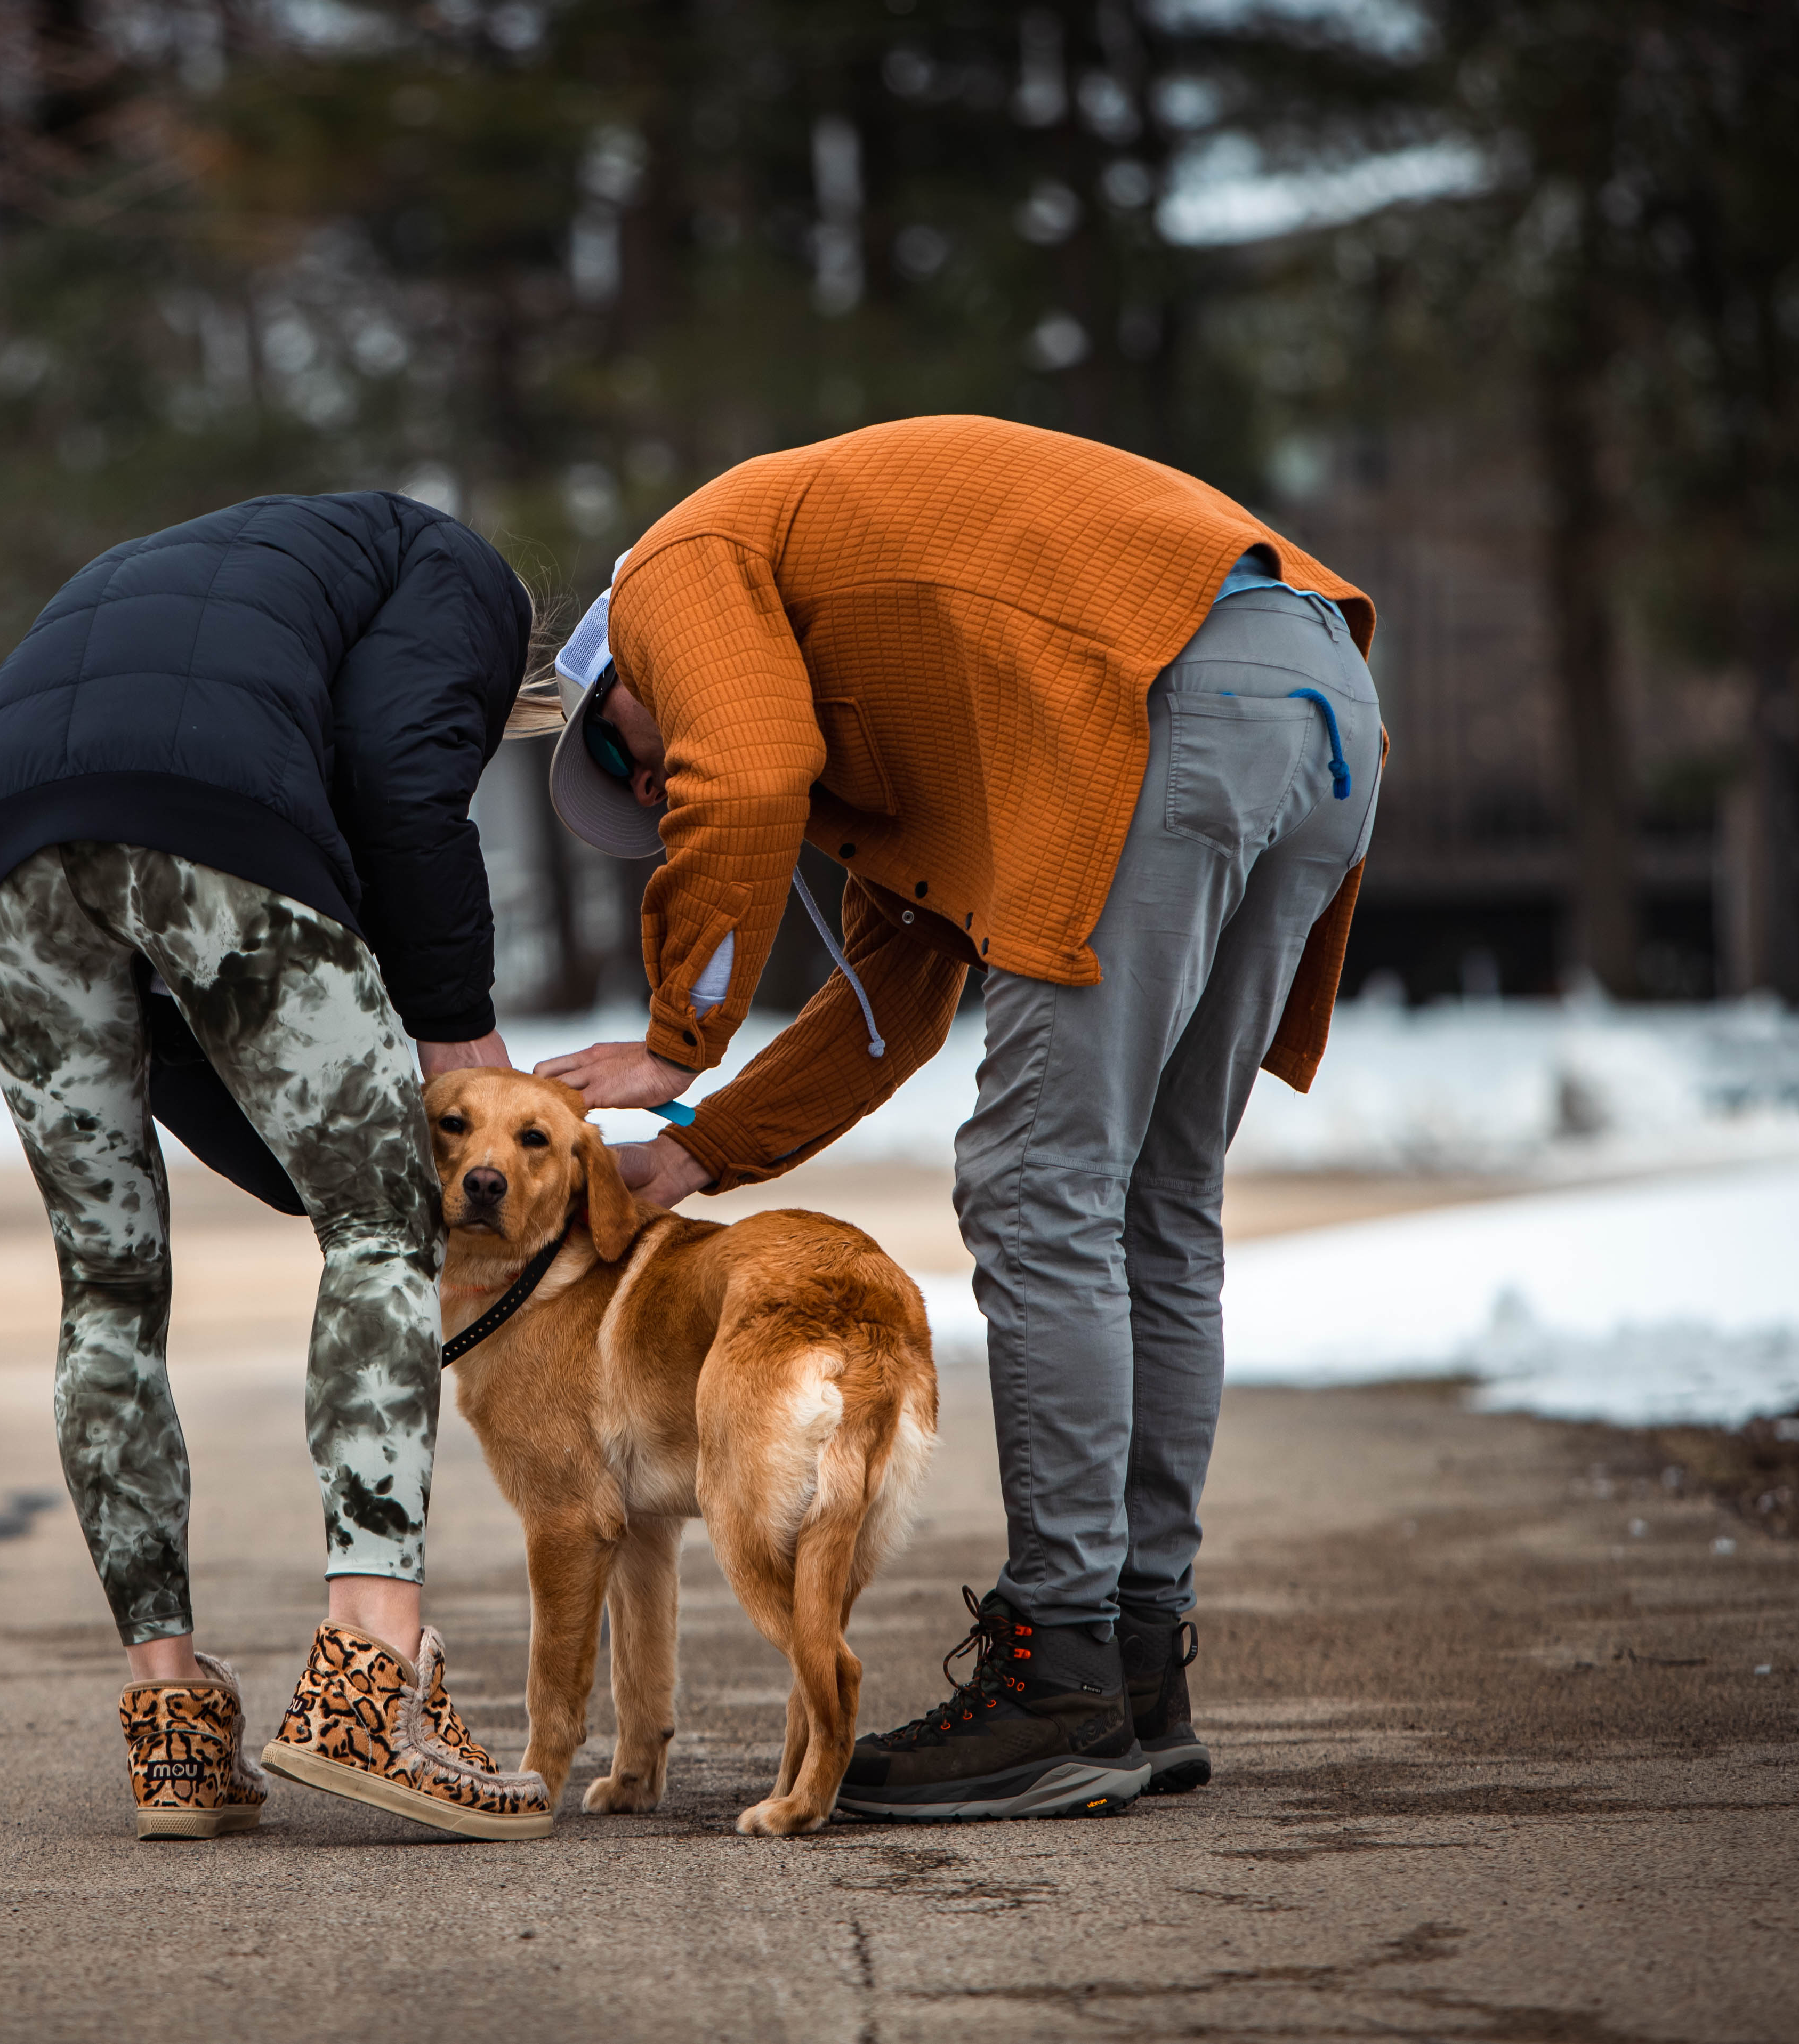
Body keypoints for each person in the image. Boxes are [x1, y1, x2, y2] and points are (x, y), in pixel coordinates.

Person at [531, 414, 1383, 1824]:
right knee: (1155, 1203)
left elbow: (736, 774)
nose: (651, 790)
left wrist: (677, 1039)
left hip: (1151, 692)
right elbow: (888, 1008)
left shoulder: (674, 567)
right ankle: (1133, 1671)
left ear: (619, 672)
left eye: (631, 764)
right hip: (1314, 693)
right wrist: (692, 1150)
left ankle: (1060, 1676)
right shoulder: (906, 732)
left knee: (1040, 1186)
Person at [0, 490, 562, 1842]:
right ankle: (371, 1670)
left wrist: (315, 1146)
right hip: (209, 813)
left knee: (106, 1292)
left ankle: (171, 1722)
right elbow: (402, 777)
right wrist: (459, 1034)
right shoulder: (459, 572)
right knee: (386, 1230)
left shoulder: (194, 573)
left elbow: (211, 1053)